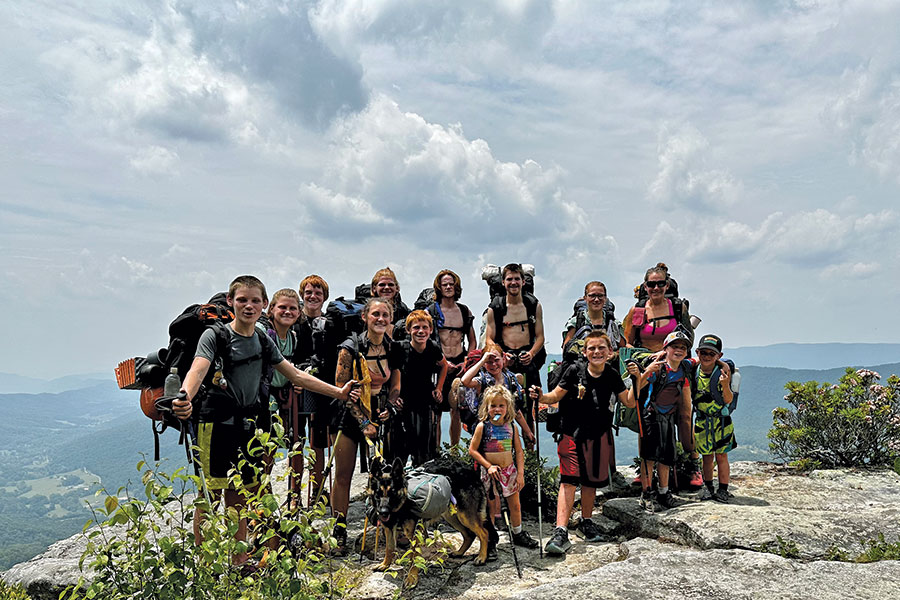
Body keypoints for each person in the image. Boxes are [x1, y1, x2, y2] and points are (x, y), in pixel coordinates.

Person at [170, 275, 357, 567]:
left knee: (240, 497)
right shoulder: (216, 336)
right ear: (230, 302)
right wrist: (185, 396)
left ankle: (239, 561)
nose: (248, 305)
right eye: (242, 300)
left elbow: (295, 375)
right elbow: (198, 368)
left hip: (247, 426)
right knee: (210, 496)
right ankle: (204, 564)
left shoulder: (261, 339)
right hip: (215, 424)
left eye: (255, 300)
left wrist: (339, 393)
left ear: (264, 304)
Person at [529, 331, 631, 555]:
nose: (596, 352)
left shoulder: (612, 374)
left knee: (590, 481)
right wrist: (540, 396)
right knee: (569, 480)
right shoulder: (574, 370)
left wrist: (641, 378)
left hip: (599, 434)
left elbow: (629, 402)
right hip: (571, 434)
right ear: (584, 352)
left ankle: (586, 521)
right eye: (592, 348)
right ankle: (561, 530)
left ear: (610, 352)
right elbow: (555, 396)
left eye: (601, 348)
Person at [332, 297, 403, 554]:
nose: (380, 319)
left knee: (383, 475)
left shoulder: (392, 348)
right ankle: (339, 531)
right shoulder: (350, 347)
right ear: (365, 317)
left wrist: (390, 407)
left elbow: (395, 385)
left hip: (381, 413)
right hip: (350, 415)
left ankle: (386, 527)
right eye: (376, 314)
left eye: (385, 314)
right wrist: (363, 421)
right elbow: (341, 389)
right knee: (343, 475)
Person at [625, 330, 694, 511]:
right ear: (666, 349)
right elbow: (637, 388)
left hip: (668, 417)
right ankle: (647, 494)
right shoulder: (658, 369)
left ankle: (664, 493)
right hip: (651, 417)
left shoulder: (685, 367)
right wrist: (647, 371)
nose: (679, 350)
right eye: (674, 347)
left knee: (666, 457)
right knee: (649, 457)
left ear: (687, 352)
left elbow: (703, 359)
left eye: (683, 347)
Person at [468, 385, 539, 549]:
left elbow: (519, 452)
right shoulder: (483, 427)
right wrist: (488, 466)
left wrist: (520, 474)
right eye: (493, 406)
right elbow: (472, 450)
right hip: (490, 473)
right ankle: (490, 540)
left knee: (515, 505)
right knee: (491, 507)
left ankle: (518, 532)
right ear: (487, 407)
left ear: (508, 408)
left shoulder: (511, 427)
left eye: (501, 405)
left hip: (509, 471)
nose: (497, 409)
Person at [294, 274, 341, 503]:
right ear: (302, 295)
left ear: (324, 298)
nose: (312, 296)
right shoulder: (294, 321)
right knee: (295, 440)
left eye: (317, 293)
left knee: (318, 443)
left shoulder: (330, 324)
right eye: (308, 292)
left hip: (321, 388)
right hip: (294, 388)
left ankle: (317, 491)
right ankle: (295, 494)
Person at [256, 288, 304, 509]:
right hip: (264, 400)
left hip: (285, 397)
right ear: (271, 309)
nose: (287, 311)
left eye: (293, 308)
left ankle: (295, 496)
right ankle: (265, 498)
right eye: (282, 307)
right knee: (268, 449)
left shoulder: (293, 337)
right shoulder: (265, 333)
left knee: (296, 444)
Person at [484, 263, 546, 431]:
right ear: (503, 282)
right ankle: (501, 441)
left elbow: (540, 337)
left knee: (531, 406)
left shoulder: (534, 306)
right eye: (509, 279)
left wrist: (531, 354)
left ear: (523, 281)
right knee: (502, 404)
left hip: (528, 359)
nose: (513, 283)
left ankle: (530, 447)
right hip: (505, 363)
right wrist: (503, 355)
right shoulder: (495, 308)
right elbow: (489, 339)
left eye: (517, 279)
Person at [427, 269, 476, 447]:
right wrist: (441, 362)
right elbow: (428, 339)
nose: (448, 287)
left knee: (457, 409)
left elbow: (472, 340)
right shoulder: (432, 311)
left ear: (456, 287)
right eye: (444, 284)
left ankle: (454, 450)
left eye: (451, 284)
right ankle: (437, 451)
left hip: (460, 363)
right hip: (439, 365)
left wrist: (467, 361)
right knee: (436, 411)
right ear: (438, 288)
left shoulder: (464, 311)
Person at [460, 341, 536, 450]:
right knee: (487, 462)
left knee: (505, 460)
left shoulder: (510, 380)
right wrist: (482, 360)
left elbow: (515, 410)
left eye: (497, 360)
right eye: (489, 362)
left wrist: (528, 431)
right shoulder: (482, 381)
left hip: (506, 431)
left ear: (503, 359)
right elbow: (465, 381)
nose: (494, 365)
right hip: (484, 432)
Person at [690, 334, 737, 503]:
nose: (707, 356)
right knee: (706, 456)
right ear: (698, 352)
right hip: (702, 421)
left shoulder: (723, 372)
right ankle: (708, 487)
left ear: (719, 355)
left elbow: (728, 399)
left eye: (712, 353)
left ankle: (723, 489)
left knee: (721, 456)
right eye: (704, 352)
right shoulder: (694, 371)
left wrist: (725, 385)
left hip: (721, 421)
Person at [398, 310, 447, 466]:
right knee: (405, 441)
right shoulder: (401, 348)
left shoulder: (432, 347)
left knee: (424, 440)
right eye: (416, 327)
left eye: (425, 327)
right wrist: (394, 396)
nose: (421, 331)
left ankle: (421, 471)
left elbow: (444, 365)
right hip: (405, 398)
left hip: (425, 398)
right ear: (408, 330)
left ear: (431, 330)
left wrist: (439, 388)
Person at [623, 263, 692, 352]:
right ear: (645, 287)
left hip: (672, 361)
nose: (656, 288)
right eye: (651, 284)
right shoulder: (637, 310)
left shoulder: (678, 308)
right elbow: (627, 343)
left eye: (660, 284)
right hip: (644, 361)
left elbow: (689, 339)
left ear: (667, 285)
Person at [561, 281, 625, 352]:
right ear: (585, 298)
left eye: (600, 296)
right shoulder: (576, 322)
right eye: (592, 296)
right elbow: (566, 349)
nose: (597, 299)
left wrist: (613, 355)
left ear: (605, 298)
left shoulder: (613, 324)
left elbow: (623, 349)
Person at [369, 267, 410, 339]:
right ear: (374, 288)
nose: (387, 287)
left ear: (397, 288)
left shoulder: (403, 310)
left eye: (391, 284)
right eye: (382, 285)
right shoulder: (367, 309)